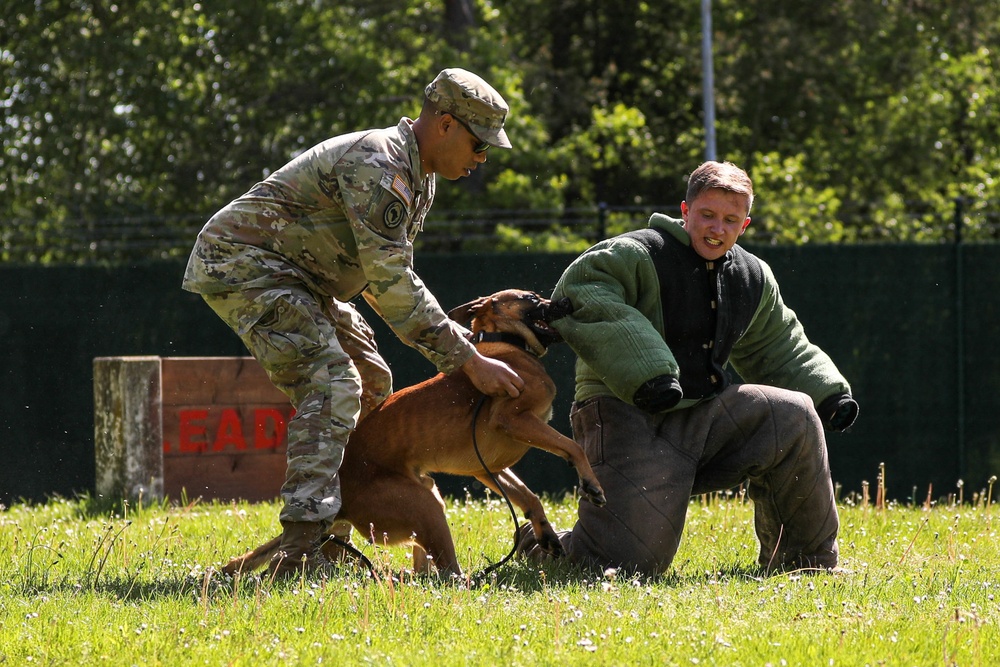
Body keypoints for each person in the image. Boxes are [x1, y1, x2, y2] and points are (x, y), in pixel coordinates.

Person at [183, 68, 525, 577]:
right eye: (479, 146)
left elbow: (383, 279)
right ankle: (302, 549)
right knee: (333, 383)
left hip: (302, 278)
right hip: (245, 264)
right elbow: (390, 282)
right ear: (447, 125)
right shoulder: (379, 164)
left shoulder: (416, 175)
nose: (481, 160)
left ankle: (333, 534)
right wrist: (467, 359)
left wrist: (451, 347)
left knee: (370, 382)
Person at [518, 160, 859, 576]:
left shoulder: (752, 276)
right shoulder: (633, 253)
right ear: (685, 210)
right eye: (708, 215)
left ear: (745, 225)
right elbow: (581, 289)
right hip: (624, 413)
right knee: (626, 567)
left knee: (793, 415)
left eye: (730, 220)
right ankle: (540, 544)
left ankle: (805, 564)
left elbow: (779, 346)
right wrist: (649, 371)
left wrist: (829, 394)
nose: (717, 228)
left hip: (703, 417)